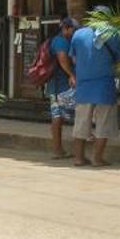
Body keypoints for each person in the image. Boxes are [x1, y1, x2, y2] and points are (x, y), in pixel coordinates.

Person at [67, 9, 120, 167]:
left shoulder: (78, 34)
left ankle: (78, 158)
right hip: (104, 85)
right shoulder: (113, 33)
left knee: (80, 123)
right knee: (104, 123)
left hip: (83, 85)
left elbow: (73, 59)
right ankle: (97, 159)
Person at [45, 15, 78, 160]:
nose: (74, 32)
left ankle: (59, 150)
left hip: (58, 85)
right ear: (66, 28)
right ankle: (58, 150)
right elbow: (62, 59)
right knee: (58, 116)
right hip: (60, 85)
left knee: (58, 116)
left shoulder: (62, 40)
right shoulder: (60, 41)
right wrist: (71, 74)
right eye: (72, 29)